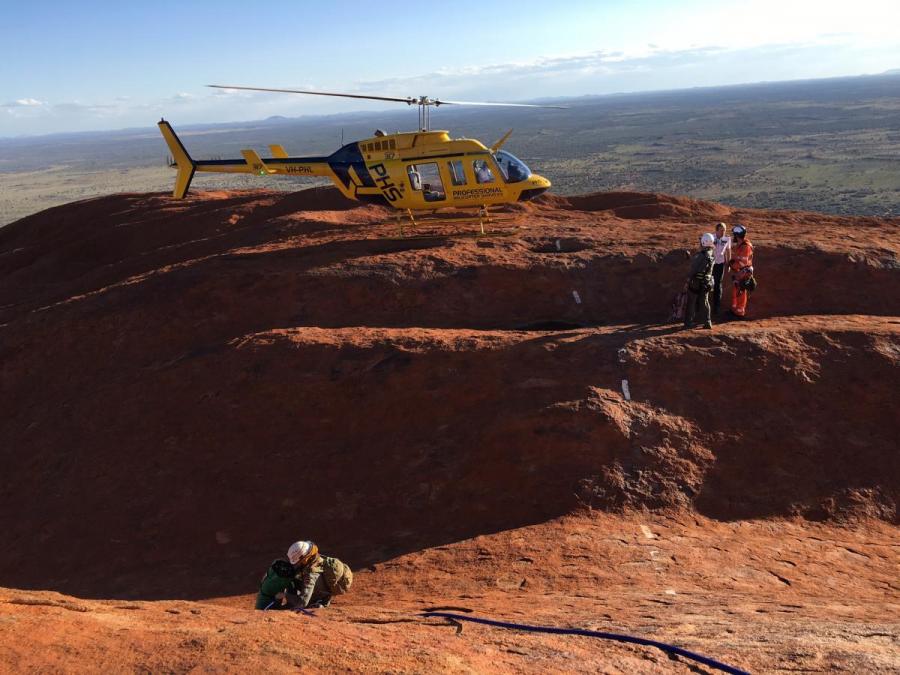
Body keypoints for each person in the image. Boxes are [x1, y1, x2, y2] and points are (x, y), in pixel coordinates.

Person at [255, 540, 353, 610]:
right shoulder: (315, 559)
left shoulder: (311, 575)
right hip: (322, 586)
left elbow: (302, 602)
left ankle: (320, 603)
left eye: (298, 562)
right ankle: (320, 601)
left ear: (304, 559)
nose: (296, 565)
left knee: (302, 596)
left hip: (320, 591)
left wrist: (285, 595)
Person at [684, 232, 715, 330]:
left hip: (696, 282)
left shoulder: (701, 255)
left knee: (691, 301)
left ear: (703, 242)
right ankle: (708, 321)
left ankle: (688, 322)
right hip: (707, 282)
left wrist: (687, 282)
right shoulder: (711, 254)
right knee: (705, 302)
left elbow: (694, 269)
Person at [729, 224, 754, 318]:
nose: (733, 236)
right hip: (739, 272)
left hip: (743, 273)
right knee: (736, 291)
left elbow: (743, 263)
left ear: (737, 235)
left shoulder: (745, 246)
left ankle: (739, 313)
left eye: (734, 235)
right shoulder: (740, 245)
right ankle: (734, 310)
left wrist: (732, 264)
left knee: (741, 293)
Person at [711, 222, 731, 315]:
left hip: (720, 264)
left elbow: (728, 250)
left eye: (724, 230)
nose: (723, 232)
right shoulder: (711, 237)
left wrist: (729, 263)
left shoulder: (727, 239)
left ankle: (717, 306)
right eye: (721, 230)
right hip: (711, 263)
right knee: (708, 283)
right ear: (716, 230)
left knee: (718, 284)